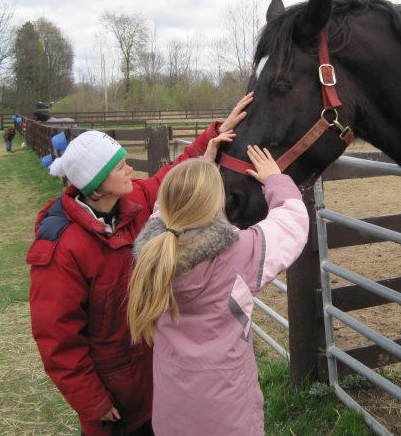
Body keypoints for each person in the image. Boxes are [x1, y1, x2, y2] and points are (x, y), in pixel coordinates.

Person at [26, 93, 254, 436]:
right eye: (120, 167)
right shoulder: (62, 249)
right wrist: (94, 403)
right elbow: (57, 339)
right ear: (98, 184)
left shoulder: (131, 204)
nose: (130, 168)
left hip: (157, 380)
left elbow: (169, 178)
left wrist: (216, 132)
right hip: (115, 403)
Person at [127, 147, 309, 436]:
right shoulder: (239, 252)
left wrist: (200, 165)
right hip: (230, 418)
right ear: (216, 207)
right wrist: (276, 179)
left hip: (170, 415)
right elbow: (292, 224)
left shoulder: (152, 252)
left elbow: (164, 210)